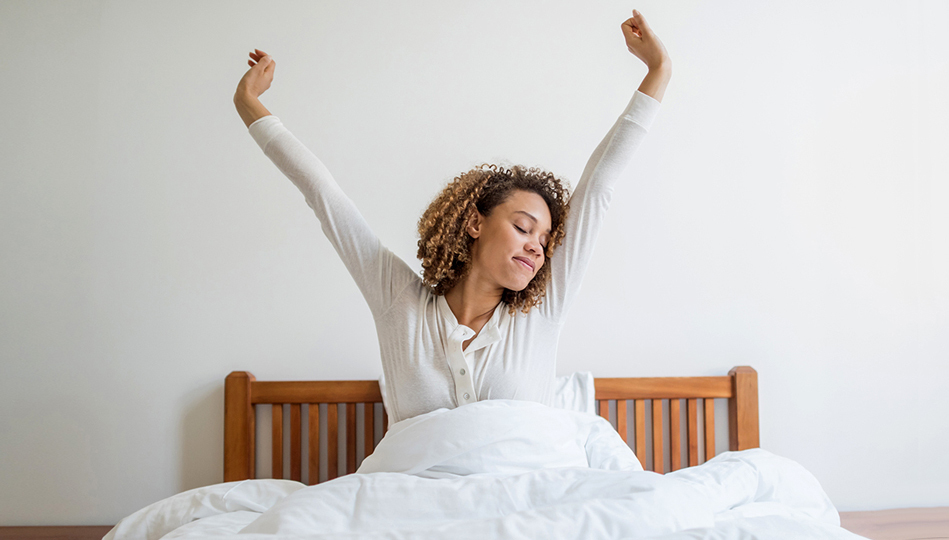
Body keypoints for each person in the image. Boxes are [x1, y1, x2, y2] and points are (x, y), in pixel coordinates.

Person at [233, 9, 671, 425]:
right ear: (475, 223)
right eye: (523, 227)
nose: (537, 247)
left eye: (544, 239)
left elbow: (599, 187)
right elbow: (324, 195)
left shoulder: (542, 311)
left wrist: (659, 71)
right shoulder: (399, 303)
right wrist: (248, 103)